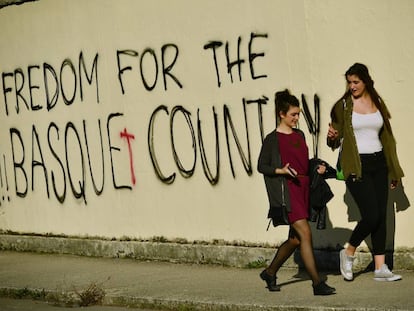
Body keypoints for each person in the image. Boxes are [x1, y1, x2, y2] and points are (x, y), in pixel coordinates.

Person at [327, 63, 404, 282]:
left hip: (379, 163)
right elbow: (333, 139)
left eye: (356, 82)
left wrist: (393, 170)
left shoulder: (377, 102)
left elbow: (387, 139)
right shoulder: (342, 106)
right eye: (349, 82)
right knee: (371, 215)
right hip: (356, 165)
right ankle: (349, 251)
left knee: (382, 215)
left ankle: (380, 268)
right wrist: (332, 136)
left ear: (365, 81)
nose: (352, 86)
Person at [258, 89, 336, 296]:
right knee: (306, 234)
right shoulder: (272, 139)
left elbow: (302, 162)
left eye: (298, 114)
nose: (297, 118)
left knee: (295, 239)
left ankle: (270, 272)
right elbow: (261, 166)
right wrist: (280, 170)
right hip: (288, 192)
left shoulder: (300, 134)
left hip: (304, 190)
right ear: (281, 114)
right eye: (293, 114)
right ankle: (317, 283)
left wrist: (316, 167)